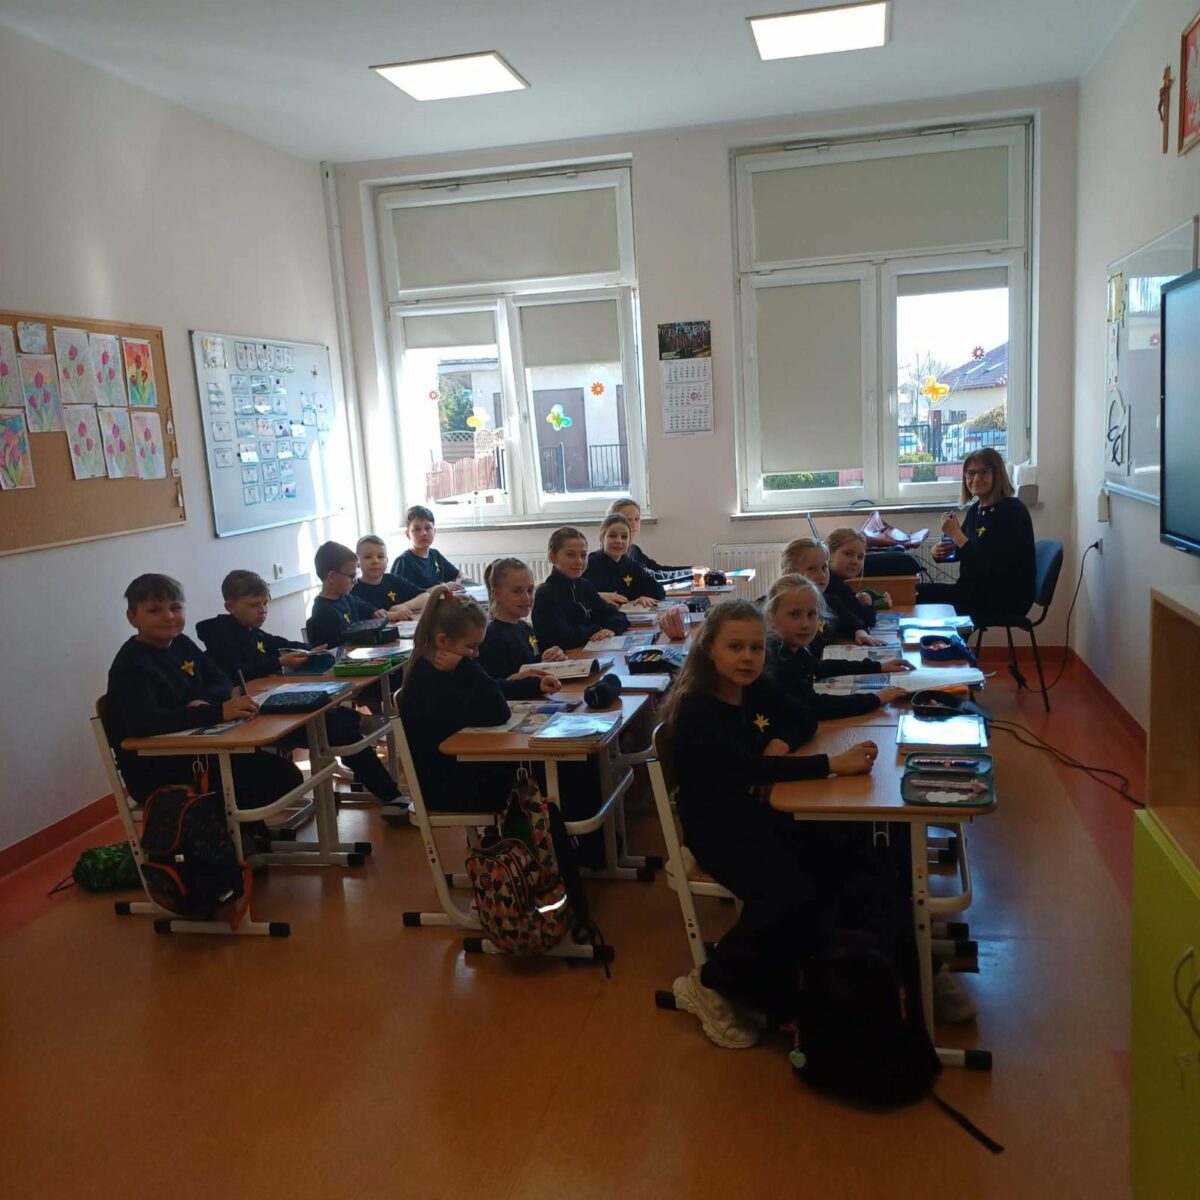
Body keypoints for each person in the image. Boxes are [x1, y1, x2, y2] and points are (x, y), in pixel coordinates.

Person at [659, 598, 878, 1048]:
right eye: (735, 647)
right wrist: (831, 764)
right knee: (789, 893)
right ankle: (708, 982)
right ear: (709, 650)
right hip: (717, 827)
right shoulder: (697, 710)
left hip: (761, 809)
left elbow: (802, 716)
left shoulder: (754, 687)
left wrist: (779, 743)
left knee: (840, 852)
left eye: (756, 648)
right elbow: (743, 769)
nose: (748, 658)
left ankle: (792, 975)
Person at [106, 573, 302, 852]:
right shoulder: (131, 665)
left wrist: (203, 703)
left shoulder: (182, 644)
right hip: (158, 767)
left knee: (283, 774)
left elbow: (220, 680)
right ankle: (230, 841)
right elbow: (145, 723)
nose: (168, 617)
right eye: (154, 610)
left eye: (175, 608)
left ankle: (242, 836)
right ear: (132, 617)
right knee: (275, 777)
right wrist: (214, 712)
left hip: (201, 750)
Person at [196, 570, 404, 813]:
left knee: (336, 723)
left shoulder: (252, 632)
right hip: (253, 715)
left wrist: (308, 650)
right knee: (338, 729)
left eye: (264, 604)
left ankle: (385, 784)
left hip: (271, 703)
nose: (262, 610)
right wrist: (279, 662)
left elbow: (277, 642)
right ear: (230, 606)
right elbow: (238, 671)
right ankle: (389, 792)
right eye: (254, 605)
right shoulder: (222, 639)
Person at [398, 587, 517, 812]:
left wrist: (532, 683)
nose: (476, 654)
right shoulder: (430, 679)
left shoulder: (439, 664)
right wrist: (466, 666)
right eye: (471, 647)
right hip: (448, 789)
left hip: (458, 774)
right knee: (532, 770)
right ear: (442, 641)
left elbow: (489, 688)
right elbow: (498, 710)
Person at [763, 575, 907, 722]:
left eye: (811, 614)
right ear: (772, 617)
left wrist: (878, 666)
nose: (805, 624)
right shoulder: (778, 660)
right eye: (794, 615)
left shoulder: (791, 647)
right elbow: (815, 706)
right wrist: (875, 698)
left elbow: (819, 667)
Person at [916, 448, 1036, 617]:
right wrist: (941, 552)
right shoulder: (976, 510)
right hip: (972, 591)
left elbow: (989, 567)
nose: (976, 479)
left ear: (997, 474)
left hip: (1003, 597)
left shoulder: (1013, 511)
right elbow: (964, 551)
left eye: (983, 472)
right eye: (970, 473)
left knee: (916, 595)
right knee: (911, 591)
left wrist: (956, 534)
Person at [531, 527, 631, 651]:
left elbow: (616, 616)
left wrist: (611, 629)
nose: (579, 561)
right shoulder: (545, 594)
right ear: (552, 557)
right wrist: (597, 629)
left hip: (589, 653)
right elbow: (562, 638)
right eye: (570, 555)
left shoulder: (585, 586)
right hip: (565, 658)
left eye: (583, 555)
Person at [780, 537, 888, 649]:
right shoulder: (780, 609)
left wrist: (860, 632)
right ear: (790, 574)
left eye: (824, 567)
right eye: (811, 569)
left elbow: (852, 621)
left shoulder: (830, 601)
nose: (822, 575)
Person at [478, 557, 567, 685]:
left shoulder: (527, 629)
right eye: (517, 591)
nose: (526, 598)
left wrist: (552, 657)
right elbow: (488, 687)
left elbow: (534, 663)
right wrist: (517, 680)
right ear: (496, 594)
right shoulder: (489, 637)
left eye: (530, 590)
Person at [308, 540, 391, 648]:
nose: (355, 581)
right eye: (351, 576)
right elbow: (336, 650)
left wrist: (374, 611)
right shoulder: (323, 613)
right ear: (332, 576)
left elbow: (363, 605)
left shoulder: (346, 598)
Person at [584, 513, 665, 606]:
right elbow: (575, 594)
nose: (619, 541)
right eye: (612, 536)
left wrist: (644, 596)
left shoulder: (631, 565)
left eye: (624, 537)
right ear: (602, 538)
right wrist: (597, 596)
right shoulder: (589, 564)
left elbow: (659, 591)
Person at [607, 497, 692, 583]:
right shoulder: (618, 554)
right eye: (628, 519)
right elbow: (653, 577)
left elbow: (657, 568)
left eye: (636, 519)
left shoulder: (634, 550)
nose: (634, 524)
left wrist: (692, 569)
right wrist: (692, 573)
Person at [825, 527, 889, 636]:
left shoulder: (837, 582)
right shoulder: (833, 584)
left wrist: (860, 601)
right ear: (829, 553)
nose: (855, 561)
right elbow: (867, 618)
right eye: (848, 554)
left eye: (860, 557)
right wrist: (868, 606)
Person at [390, 505, 462, 593]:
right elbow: (402, 596)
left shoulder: (435, 554)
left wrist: (462, 581)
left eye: (428, 528)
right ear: (407, 534)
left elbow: (458, 575)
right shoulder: (403, 562)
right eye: (417, 529)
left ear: (434, 531)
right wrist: (440, 588)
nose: (423, 533)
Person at [353, 534, 426, 618]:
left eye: (380, 556)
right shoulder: (352, 588)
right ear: (357, 562)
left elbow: (425, 596)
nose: (375, 561)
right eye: (368, 557)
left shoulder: (394, 580)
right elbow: (372, 613)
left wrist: (405, 606)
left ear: (387, 561)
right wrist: (394, 615)